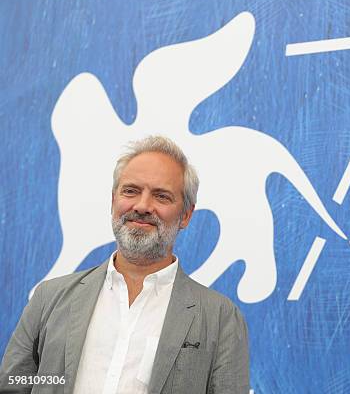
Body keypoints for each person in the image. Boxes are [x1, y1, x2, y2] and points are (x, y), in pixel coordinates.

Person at [0, 136, 249, 393]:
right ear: (113, 201)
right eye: (130, 191)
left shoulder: (220, 318)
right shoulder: (49, 299)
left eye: (161, 196)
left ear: (185, 215)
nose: (142, 206)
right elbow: (15, 385)